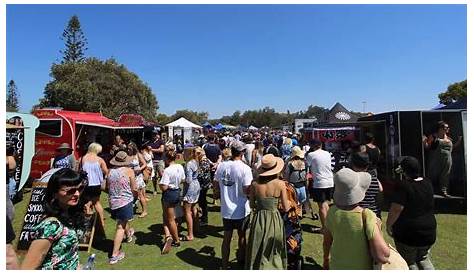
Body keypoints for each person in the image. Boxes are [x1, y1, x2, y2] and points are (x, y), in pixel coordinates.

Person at [323, 168, 390, 270]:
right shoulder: (367, 215)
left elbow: (327, 241)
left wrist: (326, 259)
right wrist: (379, 228)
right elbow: (383, 256)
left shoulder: (331, 212)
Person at [21, 168, 87, 270]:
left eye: (80, 188)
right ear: (55, 193)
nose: (77, 194)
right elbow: (28, 267)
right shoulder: (51, 225)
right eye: (70, 191)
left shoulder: (70, 215)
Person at [386, 156, 437, 270]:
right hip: (428, 231)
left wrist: (389, 225)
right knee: (423, 258)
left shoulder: (403, 186)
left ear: (404, 170)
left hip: (409, 233)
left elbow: (396, 209)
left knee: (409, 262)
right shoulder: (427, 183)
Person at [246, 154, 290, 269]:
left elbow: (251, 205)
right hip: (274, 219)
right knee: (273, 249)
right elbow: (286, 208)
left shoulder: (254, 184)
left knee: (258, 248)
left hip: (259, 219)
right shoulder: (280, 184)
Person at [214, 141, 252, 269]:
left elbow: (215, 184)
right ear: (242, 153)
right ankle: (242, 262)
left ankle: (224, 265)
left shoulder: (221, 166)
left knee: (227, 238)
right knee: (242, 237)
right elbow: (247, 189)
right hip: (241, 209)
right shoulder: (245, 168)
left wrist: (219, 194)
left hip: (226, 209)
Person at [107, 151, 137, 264]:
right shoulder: (129, 171)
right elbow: (134, 187)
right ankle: (114, 255)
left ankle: (128, 235)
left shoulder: (110, 172)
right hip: (125, 201)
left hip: (113, 202)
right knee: (120, 226)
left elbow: (106, 187)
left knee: (123, 221)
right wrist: (135, 197)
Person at [423, 121, 462, 197]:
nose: (448, 129)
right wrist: (424, 141)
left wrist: (459, 141)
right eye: (446, 127)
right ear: (440, 129)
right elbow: (427, 147)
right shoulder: (433, 136)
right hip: (435, 160)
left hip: (447, 160)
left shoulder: (449, 138)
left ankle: (444, 191)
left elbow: (452, 148)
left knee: (445, 176)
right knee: (432, 176)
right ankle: (428, 191)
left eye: (447, 128)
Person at [160, 150, 186, 254]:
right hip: (177, 192)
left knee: (170, 219)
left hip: (169, 194)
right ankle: (169, 235)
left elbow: (164, 187)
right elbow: (183, 179)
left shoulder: (167, 170)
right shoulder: (180, 167)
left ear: (167, 159)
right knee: (173, 216)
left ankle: (176, 240)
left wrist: (160, 184)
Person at [80, 142, 108, 236]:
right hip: (96, 184)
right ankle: (101, 222)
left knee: (87, 203)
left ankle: (88, 224)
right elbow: (106, 171)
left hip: (86, 184)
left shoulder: (83, 158)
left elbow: (78, 170)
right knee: (96, 203)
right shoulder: (99, 159)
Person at [306, 139, 334, 233]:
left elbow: (307, 166)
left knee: (321, 206)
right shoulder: (327, 153)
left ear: (313, 146)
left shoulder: (311, 155)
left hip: (319, 182)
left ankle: (325, 228)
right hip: (330, 181)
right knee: (325, 204)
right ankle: (329, 226)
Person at [351, 152, 383, 219]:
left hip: (357, 214)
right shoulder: (373, 178)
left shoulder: (352, 179)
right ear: (367, 166)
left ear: (353, 165)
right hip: (372, 213)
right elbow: (380, 190)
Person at [182, 147, 204, 241]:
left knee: (187, 211)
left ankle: (190, 234)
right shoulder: (196, 161)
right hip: (197, 185)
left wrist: (180, 180)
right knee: (194, 207)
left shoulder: (189, 164)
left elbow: (188, 180)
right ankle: (197, 228)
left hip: (190, 187)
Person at [127, 142, 148, 218]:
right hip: (130, 177)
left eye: (129, 149)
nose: (128, 150)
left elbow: (144, 164)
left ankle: (144, 211)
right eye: (128, 149)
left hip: (137, 177)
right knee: (132, 194)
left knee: (139, 194)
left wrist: (139, 169)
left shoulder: (138, 155)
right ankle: (130, 210)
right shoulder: (128, 156)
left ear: (133, 148)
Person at [284, 146, 308, 212]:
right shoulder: (305, 163)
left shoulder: (290, 164)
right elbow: (306, 175)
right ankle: (300, 211)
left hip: (292, 185)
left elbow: (286, 175)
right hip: (302, 185)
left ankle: (297, 212)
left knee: (294, 200)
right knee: (302, 199)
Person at [150, 132, 166, 196]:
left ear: (157, 135)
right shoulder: (150, 142)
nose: (153, 135)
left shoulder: (161, 141)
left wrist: (152, 150)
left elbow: (161, 150)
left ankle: (164, 189)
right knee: (154, 176)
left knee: (162, 175)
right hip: (152, 161)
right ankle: (155, 190)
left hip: (160, 160)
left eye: (155, 134)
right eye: (153, 134)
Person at [6, 146, 16, 221]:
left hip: (8, 182)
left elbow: (12, 167)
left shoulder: (9, 158)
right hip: (9, 182)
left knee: (7, 201)